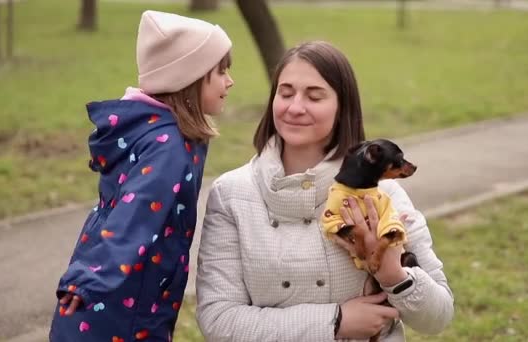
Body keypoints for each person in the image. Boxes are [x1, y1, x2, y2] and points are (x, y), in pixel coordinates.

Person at [195, 40, 453, 341]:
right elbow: (218, 319)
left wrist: (392, 274)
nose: (295, 107)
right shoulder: (231, 194)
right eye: (285, 92)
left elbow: (438, 317)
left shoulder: (385, 196)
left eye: (314, 97)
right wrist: (335, 321)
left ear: (342, 108)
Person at [49, 10, 234, 341]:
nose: (229, 81)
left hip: (119, 300)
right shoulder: (169, 148)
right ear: (188, 79)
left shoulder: (151, 129)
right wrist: (89, 279)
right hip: (122, 310)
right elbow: (132, 216)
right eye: (221, 72)